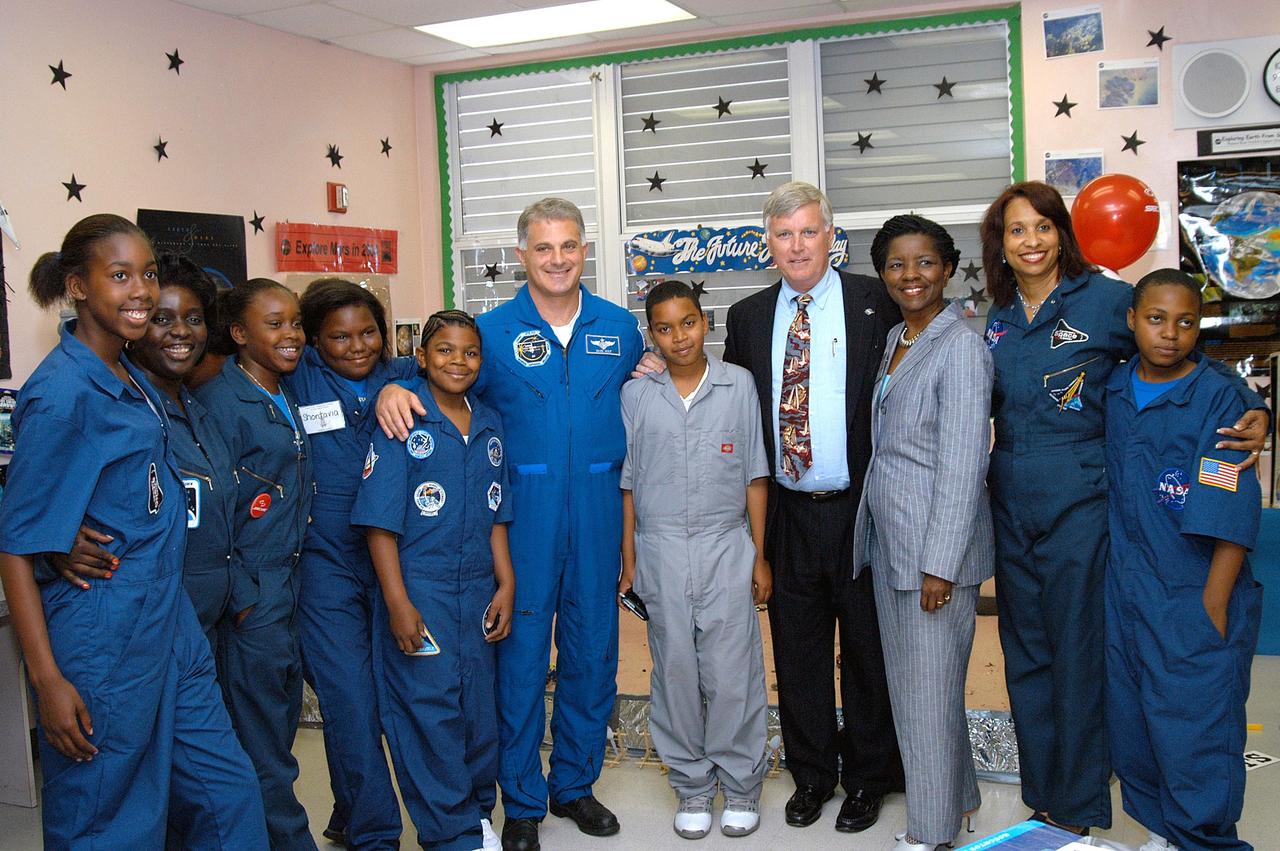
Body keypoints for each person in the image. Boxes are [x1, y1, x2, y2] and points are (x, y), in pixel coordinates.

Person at [978, 181, 1268, 834]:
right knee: (1026, 657)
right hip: (1012, 506)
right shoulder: (998, 316)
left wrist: (1255, 407)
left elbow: (1184, 351)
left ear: (1062, 234)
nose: (1031, 241)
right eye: (1017, 230)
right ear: (1001, 242)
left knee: (1079, 656)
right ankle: (1043, 795)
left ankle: (1079, 802)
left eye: (1043, 227)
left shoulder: (1107, 300)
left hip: (1081, 503)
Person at [377, 198, 644, 851]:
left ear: (585, 250)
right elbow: (433, 369)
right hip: (521, 514)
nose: (558, 259)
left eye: (569, 245)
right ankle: (522, 798)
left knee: (592, 653)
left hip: (598, 508)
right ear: (522, 254)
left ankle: (574, 784)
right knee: (519, 661)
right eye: (544, 247)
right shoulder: (491, 332)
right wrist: (390, 386)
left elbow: (643, 386)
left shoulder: (619, 327)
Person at [0, 214, 267, 848]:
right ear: (78, 287)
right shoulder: (61, 394)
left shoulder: (133, 375)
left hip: (169, 623)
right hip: (104, 637)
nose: (141, 290)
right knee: (108, 818)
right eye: (119, 276)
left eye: (146, 273)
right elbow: (15, 547)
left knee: (229, 797)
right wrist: (48, 682)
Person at [723, 181, 905, 833]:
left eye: (808, 231)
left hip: (861, 508)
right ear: (767, 244)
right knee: (797, 651)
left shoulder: (877, 302)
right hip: (787, 512)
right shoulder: (746, 318)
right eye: (783, 234)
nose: (797, 245)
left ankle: (869, 776)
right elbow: (730, 403)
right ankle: (812, 775)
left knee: (866, 649)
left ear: (831, 236)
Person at [1104, 270, 1262, 851]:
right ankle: (1161, 834)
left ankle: (1202, 841)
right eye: (1156, 319)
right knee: (1134, 725)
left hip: (1192, 592)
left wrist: (1212, 607)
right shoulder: (1114, 388)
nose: (1170, 333)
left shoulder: (1218, 397)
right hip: (1126, 591)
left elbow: (1231, 512)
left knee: (1195, 735)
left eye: (1186, 322)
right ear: (1131, 321)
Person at [852, 216, 993, 851]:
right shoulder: (897, 338)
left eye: (925, 263)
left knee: (925, 699)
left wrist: (940, 564)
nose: (911, 276)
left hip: (934, 558)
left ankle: (931, 833)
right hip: (893, 545)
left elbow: (964, 464)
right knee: (921, 691)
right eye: (896, 265)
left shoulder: (960, 347)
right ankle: (959, 801)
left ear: (948, 268)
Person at [354, 309, 515, 851]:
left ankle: (477, 814)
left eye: (470, 352)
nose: (458, 361)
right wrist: (398, 604)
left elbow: (497, 513)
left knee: (477, 710)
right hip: (420, 587)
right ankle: (451, 833)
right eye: (444, 350)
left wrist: (506, 583)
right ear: (421, 357)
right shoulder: (403, 419)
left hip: (478, 588)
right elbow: (379, 524)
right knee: (429, 711)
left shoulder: (489, 422)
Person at [618, 280, 772, 840]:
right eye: (664, 328)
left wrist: (759, 556)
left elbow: (755, 475)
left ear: (705, 322)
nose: (679, 337)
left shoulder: (739, 385)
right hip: (659, 549)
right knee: (676, 670)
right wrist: (630, 561)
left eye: (688, 322)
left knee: (732, 673)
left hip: (725, 544)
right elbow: (629, 486)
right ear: (651, 335)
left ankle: (741, 784)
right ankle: (691, 785)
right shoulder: (637, 396)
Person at [292, 277, 418, 850]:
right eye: (339, 337)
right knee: (349, 699)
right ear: (315, 341)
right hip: (327, 564)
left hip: (394, 558)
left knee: (401, 696)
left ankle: (349, 812)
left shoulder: (403, 374)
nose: (357, 346)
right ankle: (376, 835)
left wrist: (398, 388)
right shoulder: (298, 378)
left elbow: (467, 366)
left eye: (368, 332)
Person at [194, 277, 318, 851]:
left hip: (289, 584)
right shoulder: (221, 402)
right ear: (239, 333)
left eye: (295, 322)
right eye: (274, 324)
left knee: (278, 727)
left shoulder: (286, 390)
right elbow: (213, 513)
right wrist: (244, 596)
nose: (291, 334)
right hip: (253, 595)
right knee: (262, 745)